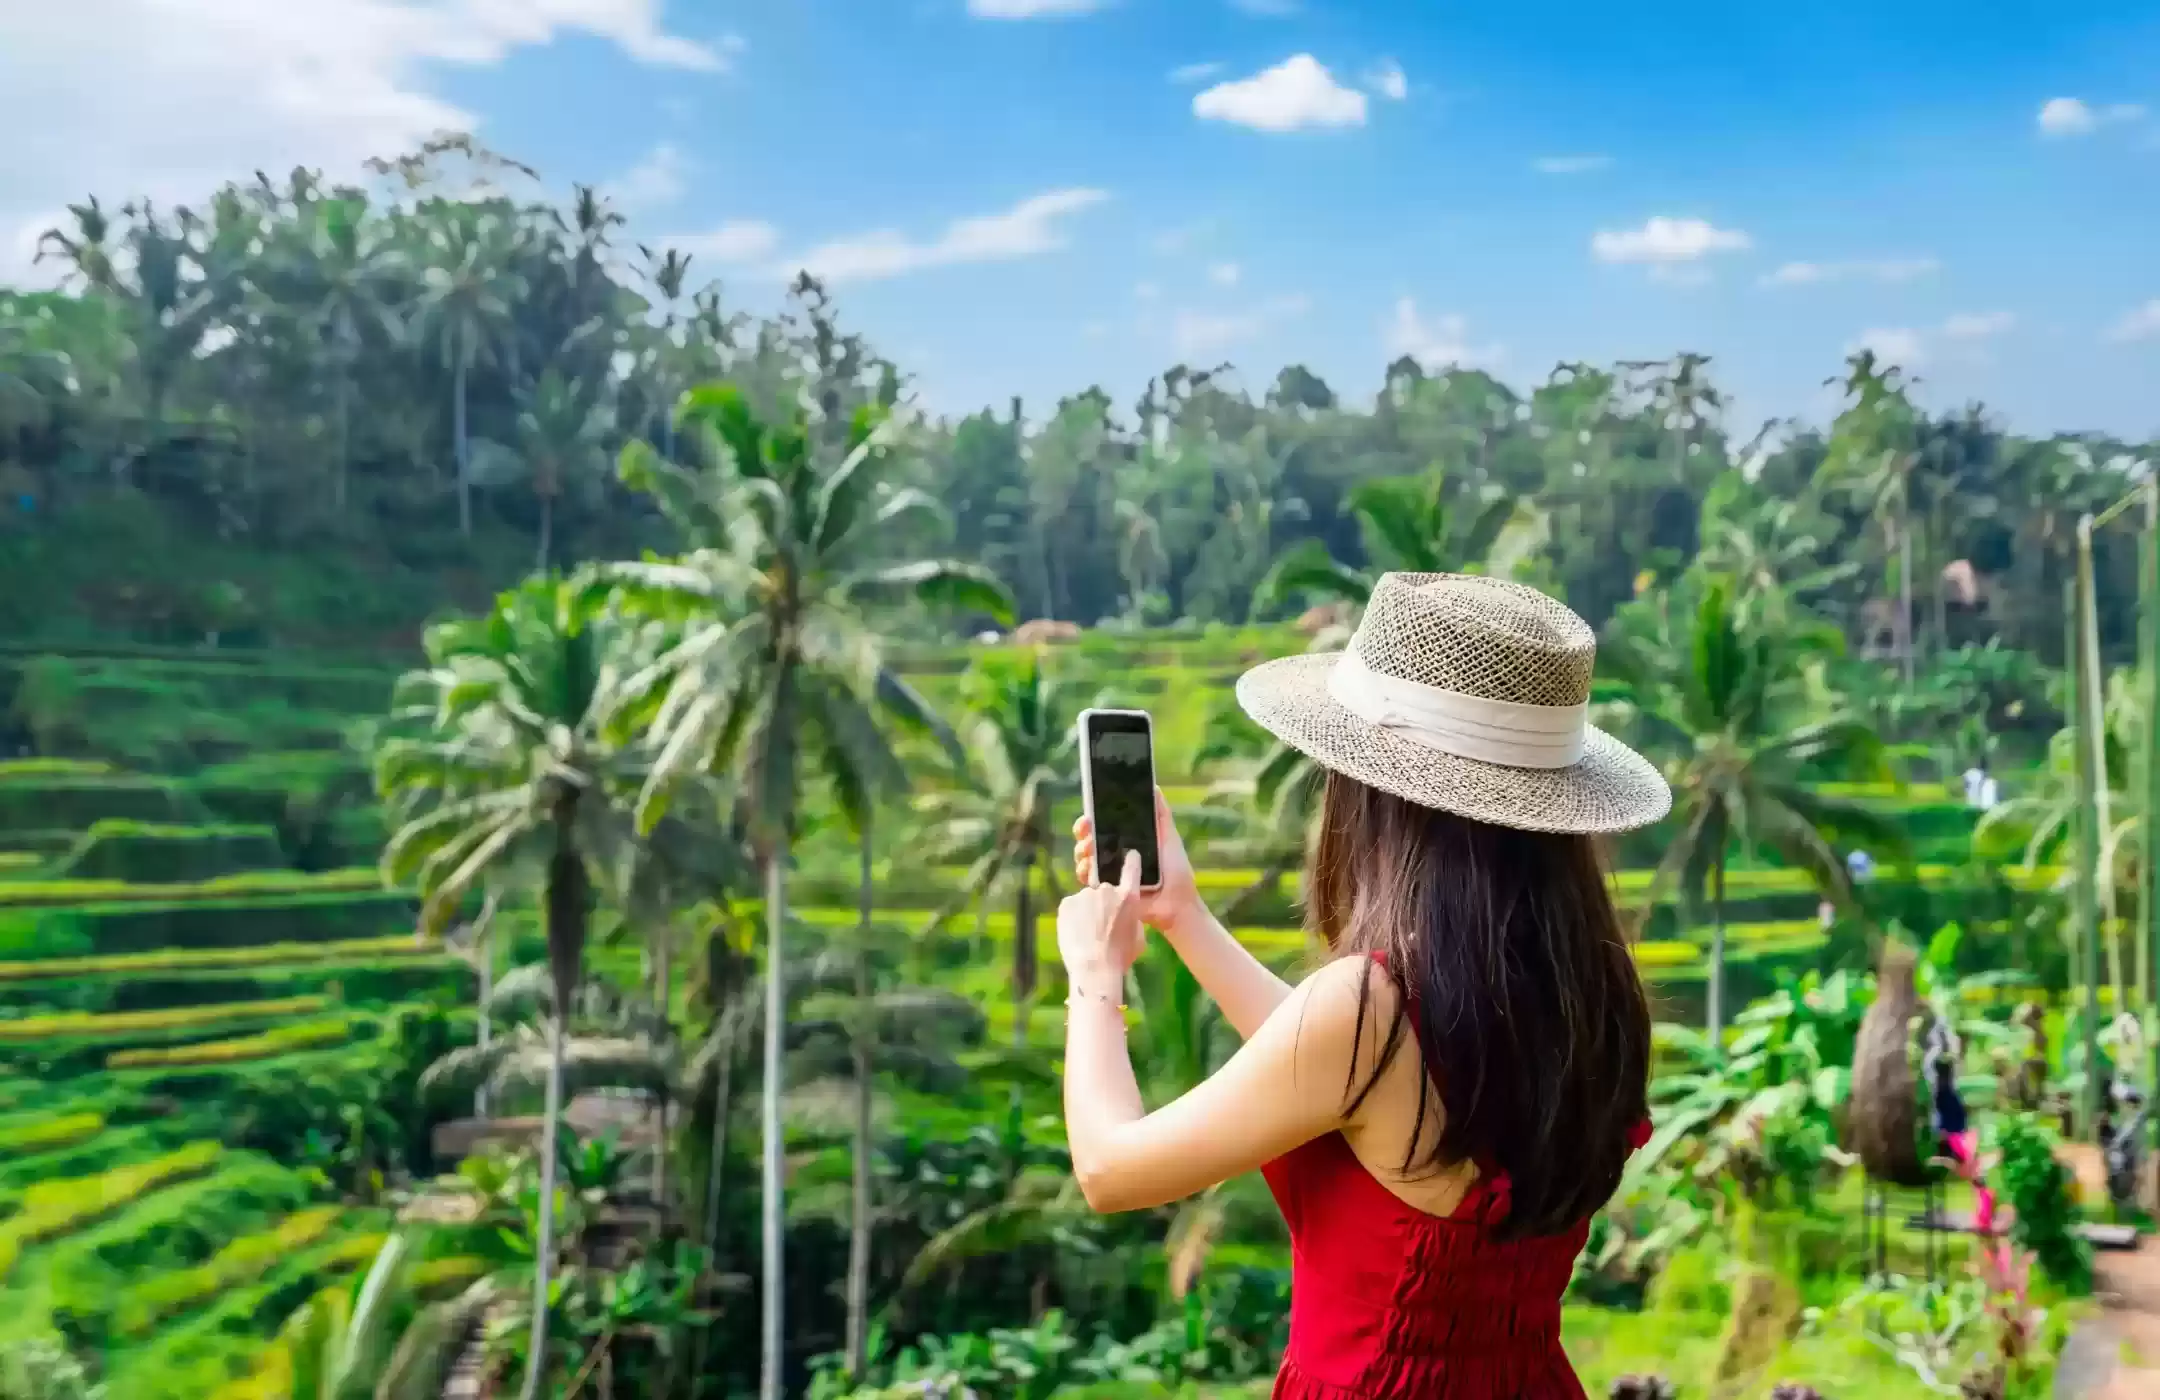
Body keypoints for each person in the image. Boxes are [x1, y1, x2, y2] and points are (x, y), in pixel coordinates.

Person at [1058, 573, 1672, 1400]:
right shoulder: (1587, 989)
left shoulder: (1366, 1016)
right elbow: (1348, 1081)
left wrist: (1095, 982)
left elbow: (1108, 1169)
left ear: (1377, 795)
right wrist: (1187, 919)